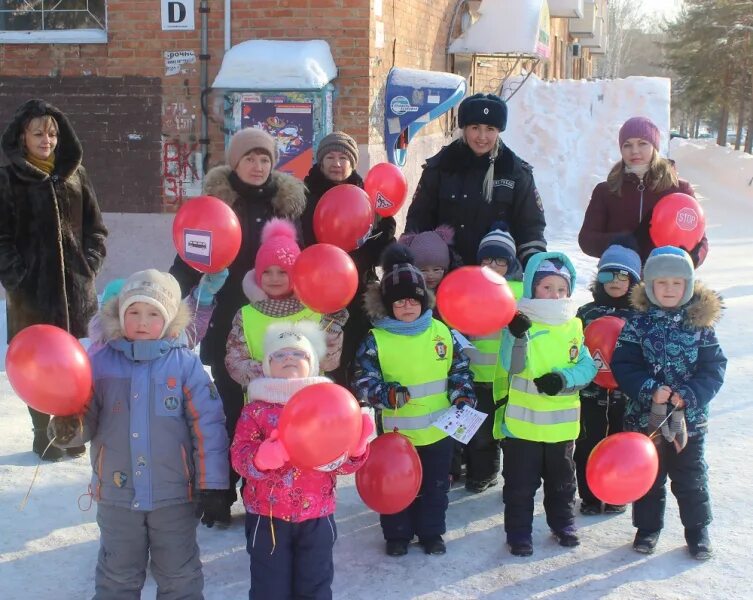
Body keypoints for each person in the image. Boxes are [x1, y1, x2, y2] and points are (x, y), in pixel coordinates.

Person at [48, 269, 229, 599]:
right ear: (119, 314)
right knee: (117, 576)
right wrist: (66, 427)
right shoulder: (99, 364)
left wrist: (212, 483)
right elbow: (84, 419)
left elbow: (208, 427)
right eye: (133, 311)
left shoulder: (184, 365)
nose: (142, 321)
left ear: (169, 319)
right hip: (117, 497)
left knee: (180, 576)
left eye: (153, 313)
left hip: (174, 496)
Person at [169, 127, 307, 517]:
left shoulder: (289, 206)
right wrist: (165, 293)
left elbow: (310, 257)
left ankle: (267, 490)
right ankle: (220, 491)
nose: (258, 166)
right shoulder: (215, 205)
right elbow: (189, 258)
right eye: (250, 158)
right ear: (235, 162)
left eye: (265, 159)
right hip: (230, 323)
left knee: (275, 413)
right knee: (229, 412)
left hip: (279, 326)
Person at [231, 320, 372, 600]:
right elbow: (238, 456)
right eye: (280, 354)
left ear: (314, 363)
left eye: (299, 354)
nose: (289, 359)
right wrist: (260, 459)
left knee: (315, 584)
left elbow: (340, 464)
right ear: (268, 364)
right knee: (269, 588)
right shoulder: (255, 410)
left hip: (317, 515)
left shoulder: (329, 406)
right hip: (267, 516)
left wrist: (355, 450)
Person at [0, 98, 108, 462]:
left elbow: (96, 229)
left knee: (74, 362)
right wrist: (18, 277)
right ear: (22, 136)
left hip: (77, 291)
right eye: (38, 133)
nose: (46, 140)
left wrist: (88, 264)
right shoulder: (8, 178)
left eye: (52, 133)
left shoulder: (76, 174)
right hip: (32, 294)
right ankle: (40, 430)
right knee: (37, 362)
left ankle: (69, 427)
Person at [352, 244, 476, 557]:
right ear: (387, 305)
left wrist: (463, 396)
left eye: (413, 299)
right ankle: (397, 535)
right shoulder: (376, 339)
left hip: (438, 432)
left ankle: (431, 533)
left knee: (435, 488)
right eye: (399, 301)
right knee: (395, 486)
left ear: (423, 300)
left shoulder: (441, 332)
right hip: (397, 436)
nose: (407, 306)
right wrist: (386, 394)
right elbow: (363, 381)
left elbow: (459, 370)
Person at [612, 246, 726, 560]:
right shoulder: (637, 323)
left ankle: (697, 531)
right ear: (649, 285)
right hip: (645, 420)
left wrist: (689, 395)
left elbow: (714, 368)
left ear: (688, 285)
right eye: (662, 283)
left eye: (677, 283)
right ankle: (647, 529)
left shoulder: (701, 326)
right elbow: (624, 364)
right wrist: (649, 389)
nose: (670, 290)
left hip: (689, 423)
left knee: (690, 477)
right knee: (649, 477)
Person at [495, 252, 597, 557]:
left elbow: (587, 367)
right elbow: (510, 366)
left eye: (561, 289)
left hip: (561, 428)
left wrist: (563, 379)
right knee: (519, 486)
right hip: (522, 427)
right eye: (546, 287)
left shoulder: (574, 326)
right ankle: (518, 533)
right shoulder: (518, 322)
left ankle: (563, 524)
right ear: (531, 289)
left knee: (563, 483)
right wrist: (516, 337)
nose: (555, 295)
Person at [405, 93, 546, 269]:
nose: (482, 137)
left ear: (498, 131)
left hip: (498, 277)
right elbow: (418, 221)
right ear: (464, 128)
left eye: (490, 129)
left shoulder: (515, 172)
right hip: (446, 275)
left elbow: (530, 228)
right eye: (475, 127)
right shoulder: (440, 167)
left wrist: (537, 268)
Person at [300, 131, 396, 387]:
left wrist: (384, 225)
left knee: (357, 363)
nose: (336, 163)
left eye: (343, 157)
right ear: (320, 162)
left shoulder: (368, 198)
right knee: (320, 364)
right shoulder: (303, 198)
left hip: (357, 297)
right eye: (330, 156)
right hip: (316, 296)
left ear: (353, 163)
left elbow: (381, 254)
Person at [225, 218, 347, 389]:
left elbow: (330, 361)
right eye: (267, 272)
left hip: (310, 403)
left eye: (283, 272)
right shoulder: (246, 315)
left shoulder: (315, 310)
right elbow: (234, 363)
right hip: (263, 408)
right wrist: (272, 371)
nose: (274, 278)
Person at [578, 116, 708, 266]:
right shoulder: (605, 191)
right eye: (627, 145)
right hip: (618, 280)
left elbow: (700, 239)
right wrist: (625, 242)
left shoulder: (679, 189)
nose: (634, 151)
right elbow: (587, 239)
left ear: (655, 147)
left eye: (642, 144)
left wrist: (691, 259)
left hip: (664, 279)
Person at [573, 241, 641, 515]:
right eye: (607, 274)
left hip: (625, 396)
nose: (614, 281)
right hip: (590, 394)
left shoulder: (640, 316)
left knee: (620, 444)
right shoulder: (585, 313)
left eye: (623, 276)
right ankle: (588, 495)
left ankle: (615, 493)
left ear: (634, 282)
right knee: (587, 443)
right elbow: (573, 347)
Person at [465, 223, 524, 493]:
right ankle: (483, 473)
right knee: (480, 431)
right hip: (477, 374)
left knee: (511, 432)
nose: (493, 265)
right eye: (487, 258)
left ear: (510, 263)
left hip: (509, 377)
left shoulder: (520, 292)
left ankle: (516, 479)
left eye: (500, 260)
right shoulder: (470, 288)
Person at [397, 225, 455, 293]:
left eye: (436, 269)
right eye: (423, 270)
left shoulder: (451, 290)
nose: (430, 275)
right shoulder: (409, 293)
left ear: (445, 269)